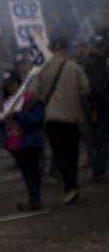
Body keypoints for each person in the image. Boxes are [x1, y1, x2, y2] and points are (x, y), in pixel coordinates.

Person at [36, 39, 90, 204]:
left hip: (53, 117)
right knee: (73, 152)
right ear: (64, 50)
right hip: (72, 116)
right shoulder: (74, 67)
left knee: (60, 153)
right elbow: (86, 88)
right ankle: (73, 183)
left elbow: (35, 93)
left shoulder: (43, 69)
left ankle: (69, 186)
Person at [0, 71, 45, 211]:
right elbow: (1, 125)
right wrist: (0, 120)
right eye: (7, 85)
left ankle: (35, 198)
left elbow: (35, 119)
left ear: (19, 83)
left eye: (12, 84)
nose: (10, 88)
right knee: (27, 173)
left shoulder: (30, 99)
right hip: (15, 143)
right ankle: (33, 198)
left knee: (32, 171)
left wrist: (17, 115)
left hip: (29, 141)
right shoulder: (5, 102)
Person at [83, 33, 109, 182]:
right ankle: (98, 172)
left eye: (102, 45)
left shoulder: (97, 61)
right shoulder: (94, 63)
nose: (101, 48)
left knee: (101, 140)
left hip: (99, 107)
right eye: (98, 46)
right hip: (100, 108)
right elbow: (98, 88)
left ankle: (99, 171)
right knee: (101, 140)